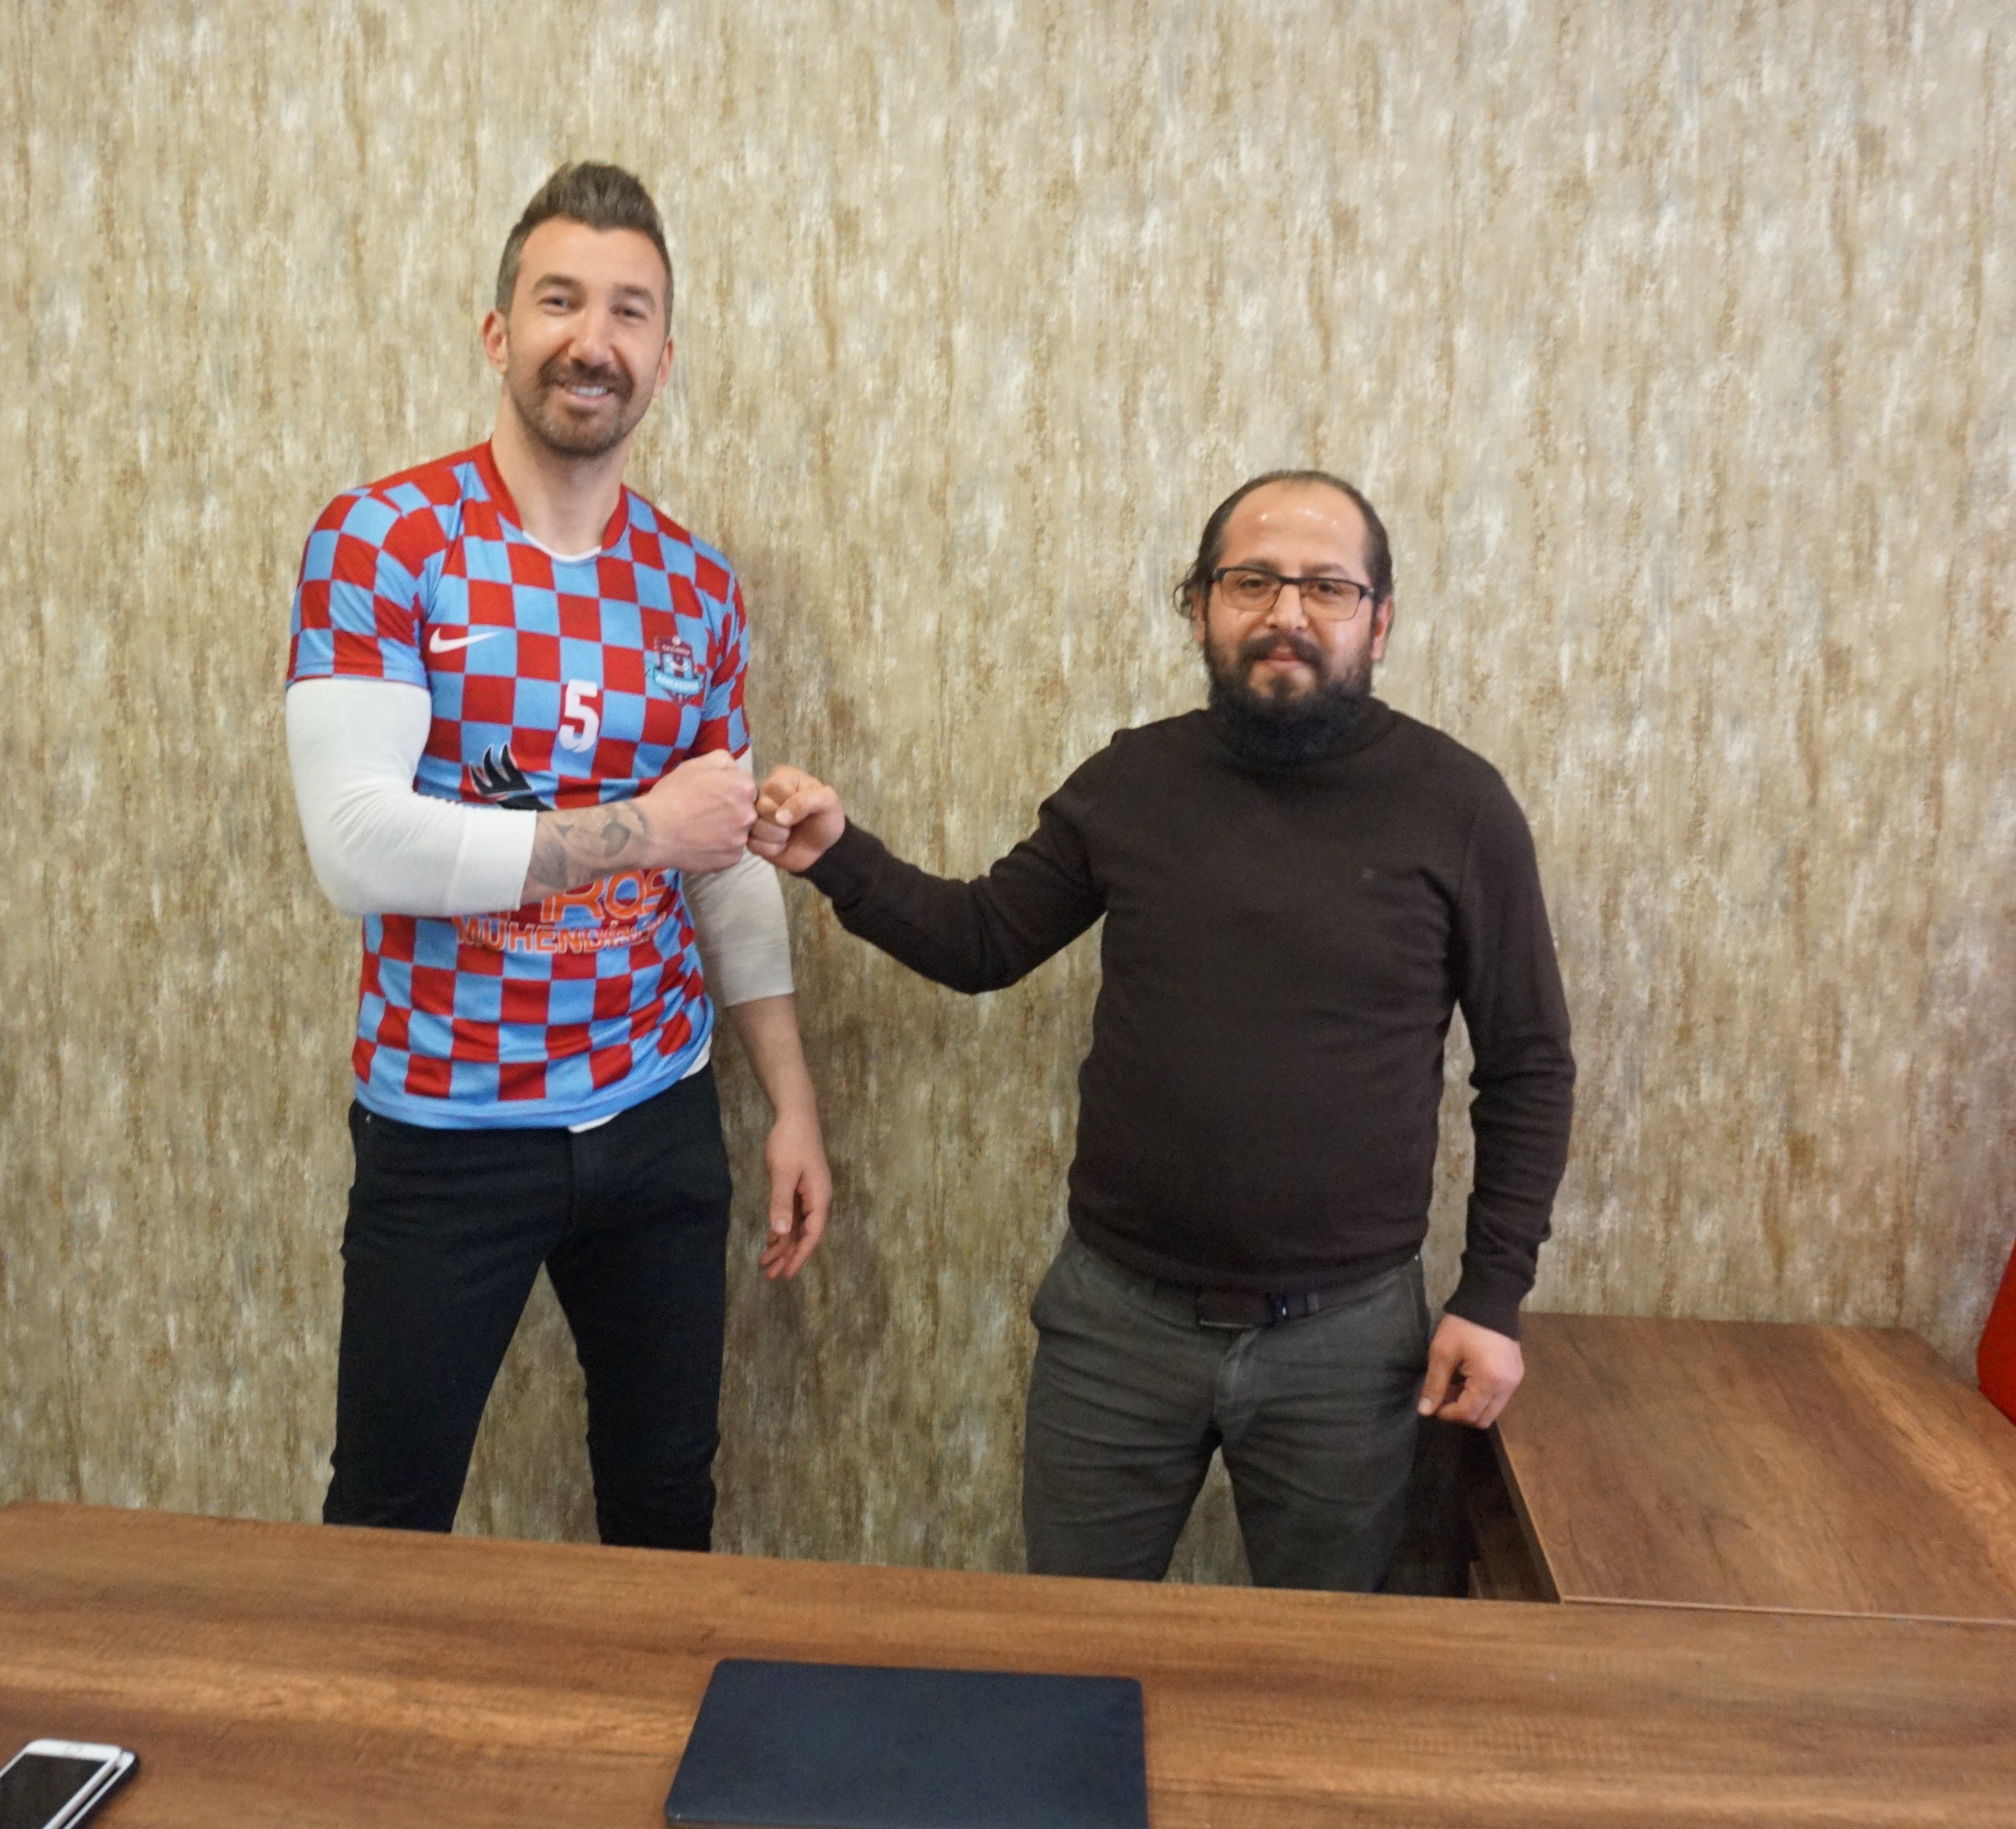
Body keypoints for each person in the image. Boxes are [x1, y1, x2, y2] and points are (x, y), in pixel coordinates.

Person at [749, 471, 1572, 1590]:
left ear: (1379, 621)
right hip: (1116, 1326)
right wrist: (839, 856)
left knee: (1326, 1663)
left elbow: (1527, 1068)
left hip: (1348, 1346)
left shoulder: (1460, 806)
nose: (1287, 613)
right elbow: (984, 940)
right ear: (1199, 607)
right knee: (1077, 1649)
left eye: (1327, 586)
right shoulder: (1134, 781)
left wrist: (1491, 1297)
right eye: (1252, 581)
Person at [281, 162, 830, 1552]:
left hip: (658, 1117)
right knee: (387, 1521)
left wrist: (790, 1101)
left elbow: (726, 860)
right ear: (497, 332)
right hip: (445, 1129)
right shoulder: (384, 540)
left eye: (630, 311)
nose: (594, 340)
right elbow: (357, 848)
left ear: (664, 356)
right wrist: (645, 831)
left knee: (665, 1510)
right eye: (560, 301)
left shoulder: (697, 585)